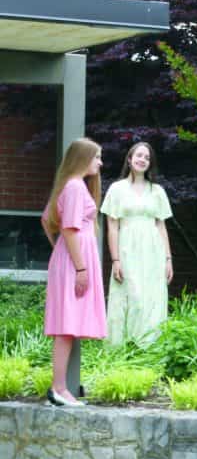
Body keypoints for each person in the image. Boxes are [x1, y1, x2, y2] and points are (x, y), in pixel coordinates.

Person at [41, 138, 106, 407]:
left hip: (68, 259)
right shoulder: (76, 188)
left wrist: (61, 253)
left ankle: (60, 388)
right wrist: (79, 266)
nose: (100, 162)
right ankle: (59, 389)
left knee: (67, 326)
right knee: (66, 327)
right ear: (83, 158)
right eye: (97, 157)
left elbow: (47, 219)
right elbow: (68, 228)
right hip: (74, 263)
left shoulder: (69, 186)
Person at [101, 142, 174, 346]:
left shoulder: (157, 191)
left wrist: (168, 259)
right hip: (127, 249)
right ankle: (121, 348)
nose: (142, 159)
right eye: (139, 155)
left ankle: (150, 348)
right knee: (130, 295)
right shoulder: (117, 189)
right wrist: (115, 259)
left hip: (153, 250)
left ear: (150, 164)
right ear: (130, 159)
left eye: (147, 157)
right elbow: (112, 227)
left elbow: (161, 226)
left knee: (152, 296)